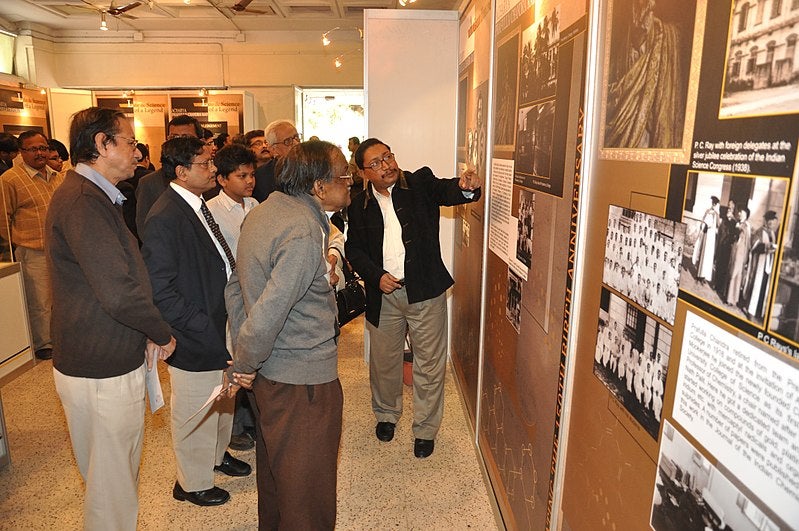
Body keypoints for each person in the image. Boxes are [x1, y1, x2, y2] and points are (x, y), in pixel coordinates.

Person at [45, 106, 176, 530]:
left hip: (98, 356)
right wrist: (160, 330)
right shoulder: (84, 200)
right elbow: (118, 290)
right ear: (102, 144)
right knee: (112, 483)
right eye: (130, 142)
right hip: (101, 363)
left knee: (108, 476)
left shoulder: (92, 196)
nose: (138, 152)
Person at [226, 140, 352, 529]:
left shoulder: (265, 212)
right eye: (344, 176)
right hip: (303, 381)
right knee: (307, 491)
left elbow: (235, 288)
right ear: (318, 186)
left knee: (279, 476)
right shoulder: (301, 230)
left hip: (271, 376)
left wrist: (244, 355)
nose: (350, 183)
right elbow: (271, 309)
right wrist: (243, 363)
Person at [345, 138, 481, 458]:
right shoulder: (357, 202)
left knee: (430, 364)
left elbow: (449, 190)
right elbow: (354, 249)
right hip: (384, 294)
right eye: (376, 163)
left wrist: (465, 187)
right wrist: (376, 276)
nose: (386, 165)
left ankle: (425, 429)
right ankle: (387, 415)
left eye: (388, 157)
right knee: (384, 362)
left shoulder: (419, 183)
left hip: (424, 291)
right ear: (364, 173)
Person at [141, 136, 251, 507]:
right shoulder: (165, 216)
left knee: (222, 396)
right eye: (205, 164)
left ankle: (217, 456)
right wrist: (200, 324)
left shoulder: (198, 205)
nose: (213, 169)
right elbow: (161, 290)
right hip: (193, 330)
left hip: (219, 322)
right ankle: (191, 482)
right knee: (194, 406)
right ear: (182, 171)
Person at [206, 143, 259, 451]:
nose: (249, 181)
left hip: (255, 293)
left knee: (251, 354)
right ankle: (234, 427)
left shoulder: (257, 205)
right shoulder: (211, 211)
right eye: (241, 175)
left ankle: (251, 419)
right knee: (232, 358)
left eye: (251, 174)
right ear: (223, 179)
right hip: (229, 296)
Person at [0, 130, 65, 360]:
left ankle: (60, 338)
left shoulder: (58, 176)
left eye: (44, 148)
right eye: (33, 149)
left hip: (59, 250)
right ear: (21, 152)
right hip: (31, 250)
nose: (40, 153)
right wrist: (15, 245)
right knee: (40, 301)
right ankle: (43, 343)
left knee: (60, 298)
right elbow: (3, 219)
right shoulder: (10, 179)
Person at [605, 0, 687, 149]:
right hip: (630, 124)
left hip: (647, 125)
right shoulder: (624, 47)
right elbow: (614, 85)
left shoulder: (665, 34)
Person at [135, 114, 204, 235]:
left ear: (200, 141)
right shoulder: (149, 183)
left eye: (186, 138)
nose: (179, 143)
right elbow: (144, 229)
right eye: (174, 137)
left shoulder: (211, 180)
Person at [252, 120, 301, 202]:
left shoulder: (312, 168)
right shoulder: (261, 177)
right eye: (288, 141)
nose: (296, 143)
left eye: (296, 137)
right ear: (273, 149)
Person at [744, 210, 779, 320]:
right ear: (767, 221)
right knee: (756, 286)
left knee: (764, 287)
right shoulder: (760, 231)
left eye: (773, 223)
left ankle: (759, 311)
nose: (771, 225)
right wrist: (766, 247)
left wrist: (773, 248)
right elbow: (753, 245)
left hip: (767, 264)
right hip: (759, 262)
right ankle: (750, 311)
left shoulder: (772, 233)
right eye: (770, 222)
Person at [726, 207, 751, 307]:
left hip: (741, 252)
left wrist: (739, 227)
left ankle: (731, 299)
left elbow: (747, 240)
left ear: (746, 215)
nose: (739, 213)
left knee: (736, 274)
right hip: (735, 250)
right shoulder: (739, 223)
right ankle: (728, 296)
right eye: (740, 212)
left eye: (742, 212)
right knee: (731, 271)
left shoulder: (746, 225)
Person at [692, 196, 720, 283]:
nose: (712, 205)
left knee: (708, 255)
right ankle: (699, 274)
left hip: (711, 237)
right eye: (712, 203)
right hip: (705, 234)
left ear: (715, 204)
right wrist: (702, 226)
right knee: (702, 253)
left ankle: (704, 276)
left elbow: (718, 224)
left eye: (714, 203)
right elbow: (703, 220)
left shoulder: (716, 214)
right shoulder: (708, 211)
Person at [714, 200, 737, 294]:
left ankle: (721, 287)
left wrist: (732, 220)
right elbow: (720, 232)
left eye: (731, 207)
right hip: (721, 245)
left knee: (724, 267)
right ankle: (716, 284)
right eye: (728, 207)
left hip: (728, 248)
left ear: (734, 209)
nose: (729, 208)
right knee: (718, 265)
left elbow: (734, 235)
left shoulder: (735, 222)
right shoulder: (724, 219)